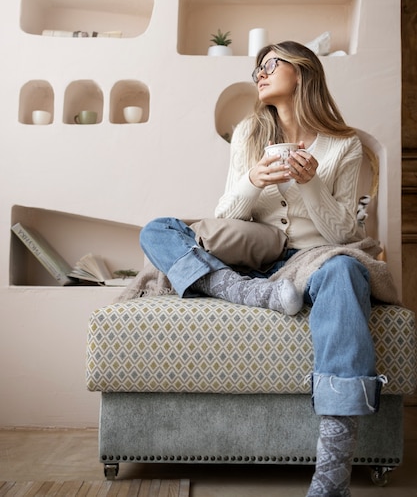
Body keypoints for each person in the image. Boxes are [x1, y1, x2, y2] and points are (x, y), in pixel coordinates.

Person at [140, 40, 386, 497]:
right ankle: (246, 291)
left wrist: (310, 184)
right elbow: (226, 215)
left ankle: (333, 475)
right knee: (157, 230)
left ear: (303, 71)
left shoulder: (345, 146)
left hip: (314, 258)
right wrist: (252, 180)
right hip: (255, 252)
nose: (260, 72)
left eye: (271, 64)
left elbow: (343, 238)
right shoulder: (249, 131)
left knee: (347, 272)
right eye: (258, 67)